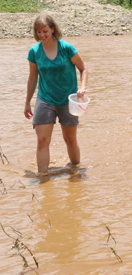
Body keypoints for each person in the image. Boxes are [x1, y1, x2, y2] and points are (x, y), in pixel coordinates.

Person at [24, 15, 88, 175]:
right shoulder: (34, 51)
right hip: (45, 99)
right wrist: (27, 103)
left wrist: (83, 87)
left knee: (70, 140)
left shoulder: (66, 48)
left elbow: (83, 69)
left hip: (68, 100)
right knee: (42, 141)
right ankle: (43, 178)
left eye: (45, 31)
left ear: (53, 29)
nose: (42, 35)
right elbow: (32, 78)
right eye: (39, 32)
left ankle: (75, 170)